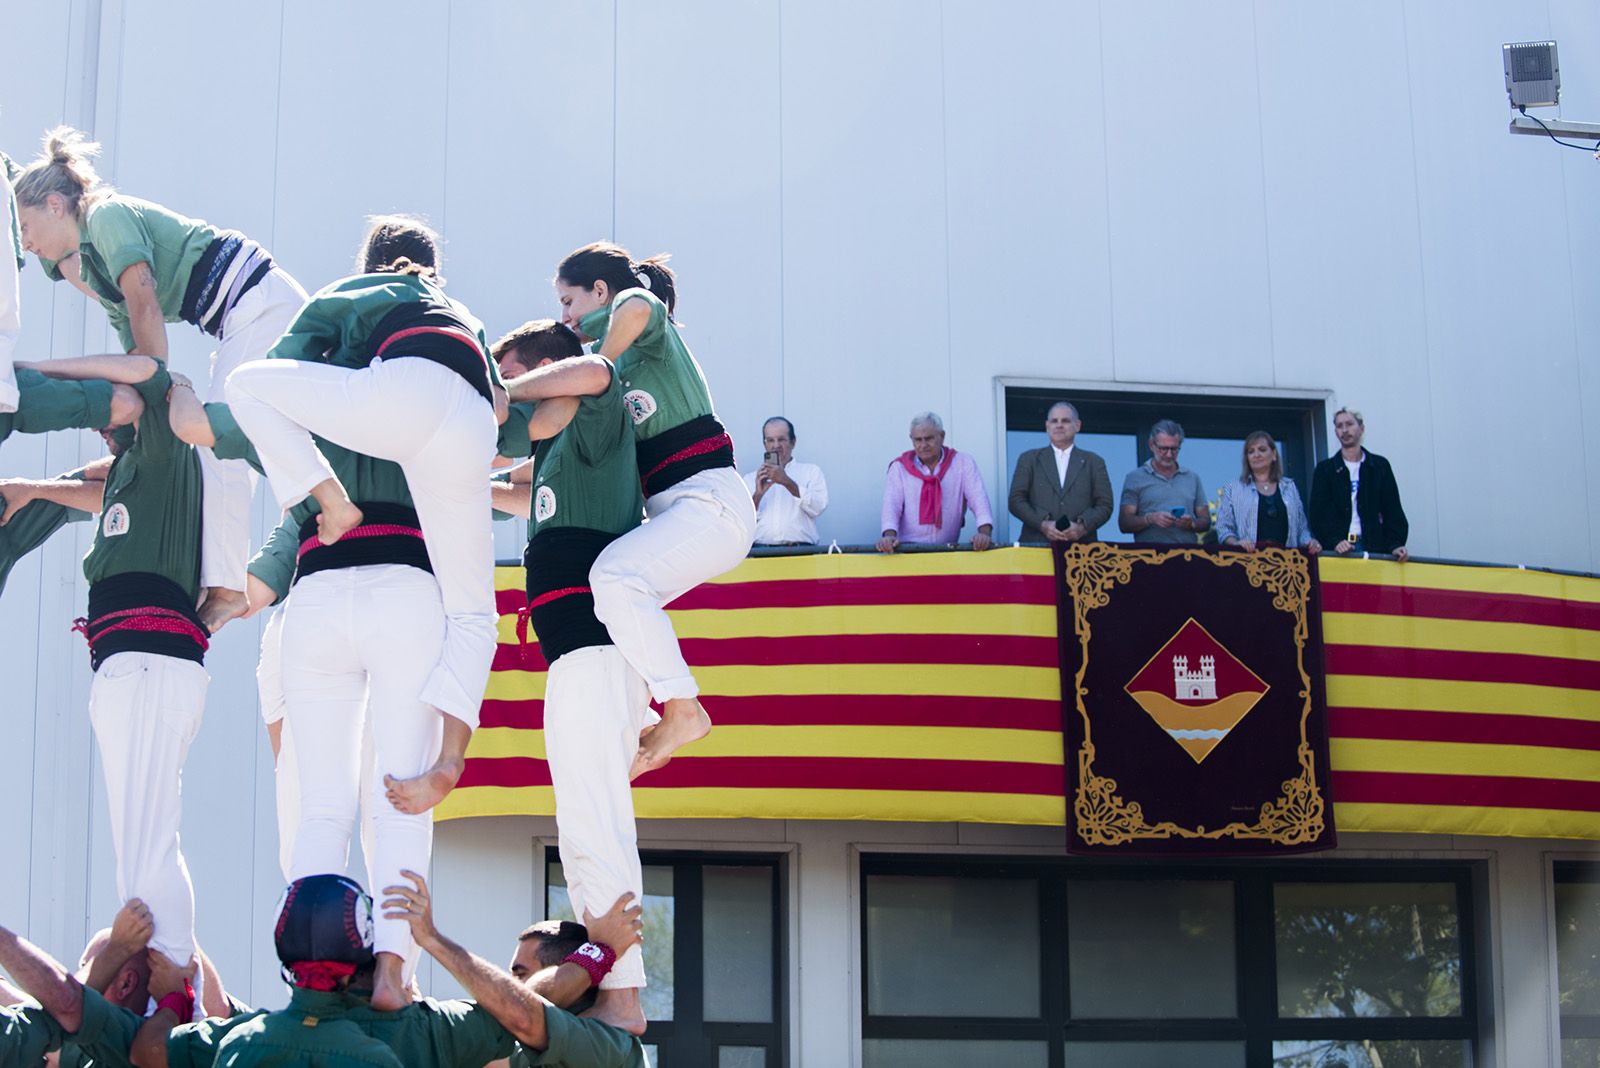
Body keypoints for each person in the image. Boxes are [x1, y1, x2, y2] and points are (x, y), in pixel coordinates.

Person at [168, 380, 460, 1012]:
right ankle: (391, 973)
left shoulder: (305, 411)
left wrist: (174, 384)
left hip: (318, 600)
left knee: (322, 809)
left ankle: (311, 973)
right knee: (401, 801)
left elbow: (194, 426)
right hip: (404, 586)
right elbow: (507, 440)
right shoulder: (435, 398)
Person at [225, 217, 503, 814]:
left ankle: (332, 500)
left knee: (247, 385)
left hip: (404, 393)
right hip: (469, 424)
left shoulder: (359, 290)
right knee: (476, 611)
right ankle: (451, 757)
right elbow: (501, 404)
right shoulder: (461, 311)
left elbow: (286, 364)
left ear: (371, 264)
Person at [11, 126, 310, 630]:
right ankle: (233, 570)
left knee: (217, 441)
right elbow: (138, 362)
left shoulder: (105, 215)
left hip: (261, 305)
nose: (25, 241)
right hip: (242, 318)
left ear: (57, 205)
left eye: (25, 224)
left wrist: (48, 373)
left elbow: (146, 308)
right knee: (240, 440)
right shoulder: (100, 274)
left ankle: (227, 588)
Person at [1, 353, 209, 1013]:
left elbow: (149, 376)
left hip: (146, 660)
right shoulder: (132, 475)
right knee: (140, 855)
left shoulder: (162, 449)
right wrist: (34, 489)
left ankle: (179, 998)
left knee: (145, 855)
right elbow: (94, 484)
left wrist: (38, 371)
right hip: (139, 663)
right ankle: (176, 993)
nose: (101, 430)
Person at [502, 242, 755, 780]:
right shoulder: (605, 384)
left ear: (600, 291)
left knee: (613, 578)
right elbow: (544, 495)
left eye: (569, 301)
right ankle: (639, 715)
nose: (564, 316)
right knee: (611, 603)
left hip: (710, 504)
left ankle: (683, 708)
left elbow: (638, 303)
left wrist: (598, 363)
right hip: (681, 516)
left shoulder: (650, 343)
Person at [491, 319, 652, 1035]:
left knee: (592, 819)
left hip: (595, 647)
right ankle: (619, 985)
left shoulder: (592, 409)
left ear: (546, 370)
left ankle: (623, 994)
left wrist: (501, 390)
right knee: (584, 819)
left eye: (523, 376)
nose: (518, 401)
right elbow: (511, 493)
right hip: (579, 654)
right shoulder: (557, 453)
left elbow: (596, 373)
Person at [134, 875, 643, 1068]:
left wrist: (176, 1000)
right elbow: (522, 1011)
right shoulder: (432, 1032)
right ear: (370, 956)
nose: (513, 981)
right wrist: (599, 953)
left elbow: (151, 1050)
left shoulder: (239, 1041)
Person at [383, 871, 649, 1067]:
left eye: (521, 974)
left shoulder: (610, 1047)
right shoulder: (523, 1045)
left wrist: (432, 938)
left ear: (567, 975)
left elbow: (522, 1011)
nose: (513, 986)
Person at [877, 411, 993, 552]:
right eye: (918, 440)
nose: (923, 445)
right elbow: (891, 505)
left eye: (929, 438)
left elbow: (978, 499)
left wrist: (984, 533)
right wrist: (889, 536)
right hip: (906, 552)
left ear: (942, 436)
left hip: (947, 552)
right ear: (911, 440)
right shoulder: (899, 467)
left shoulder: (963, 463)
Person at [1308, 407, 1409, 561]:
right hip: (1339, 550)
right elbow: (1318, 514)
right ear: (1335, 432)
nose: (1344, 430)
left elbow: (1392, 509)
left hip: (1374, 547)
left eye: (1349, 424)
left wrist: (1394, 544)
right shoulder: (1325, 470)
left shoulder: (1379, 466)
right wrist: (1334, 541)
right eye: (1339, 426)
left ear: (1361, 428)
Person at [1006, 401, 1113, 545]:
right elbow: (1015, 500)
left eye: (1066, 421)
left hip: (1082, 551)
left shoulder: (1094, 462)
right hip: (1035, 547)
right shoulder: (1029, 459)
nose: (1059, 425)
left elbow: (1105, 505)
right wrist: (1043, 524)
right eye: (1054, 421)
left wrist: (1082, 528)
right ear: (1047, 426)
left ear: (1077, 426)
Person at [1217, 431, 1320, 554]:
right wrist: (1236, 543)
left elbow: (1301, 529)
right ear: (1247, 459)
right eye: (1251, 451)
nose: (1256, 454)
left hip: (1286, 565)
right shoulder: (1233, 488)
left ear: (1274, 454)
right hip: (1248, 563)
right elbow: (1223, 527)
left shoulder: (1290, 487)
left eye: (1262, 449)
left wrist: (1310, 542)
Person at [1118, 419, 1211, 544]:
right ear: (1151, 445)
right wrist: (1150, 519)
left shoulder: (1192, 478)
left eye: (1174, 449)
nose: (1168, 455)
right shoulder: (1135, 478)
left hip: (1187, 556)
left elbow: (1206, 521)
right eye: (1163, 449)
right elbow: (1124, 523)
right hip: (1148, 557)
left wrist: (1191, 524)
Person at [743, 416, 828, 545]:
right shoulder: (750, 479)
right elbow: (742, 522)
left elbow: (818, 507)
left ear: (793, 442)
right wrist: (758, 495)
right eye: (770, 440)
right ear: (764, 444)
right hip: (761, 554)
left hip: (801, 552)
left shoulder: (811, 472)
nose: (776, 445)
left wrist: (787, 482)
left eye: (781, 439)